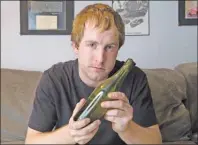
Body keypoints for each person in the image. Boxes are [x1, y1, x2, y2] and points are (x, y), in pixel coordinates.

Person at [25, 3, 162, 144]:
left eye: (109, 47)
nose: (100, 58)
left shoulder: (134, 78)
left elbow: (155, 140)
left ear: (118, 49)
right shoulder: (53, 79)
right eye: (92, 45)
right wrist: (71, 134)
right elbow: (31, 141)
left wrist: (127, 129)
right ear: (76, 46)